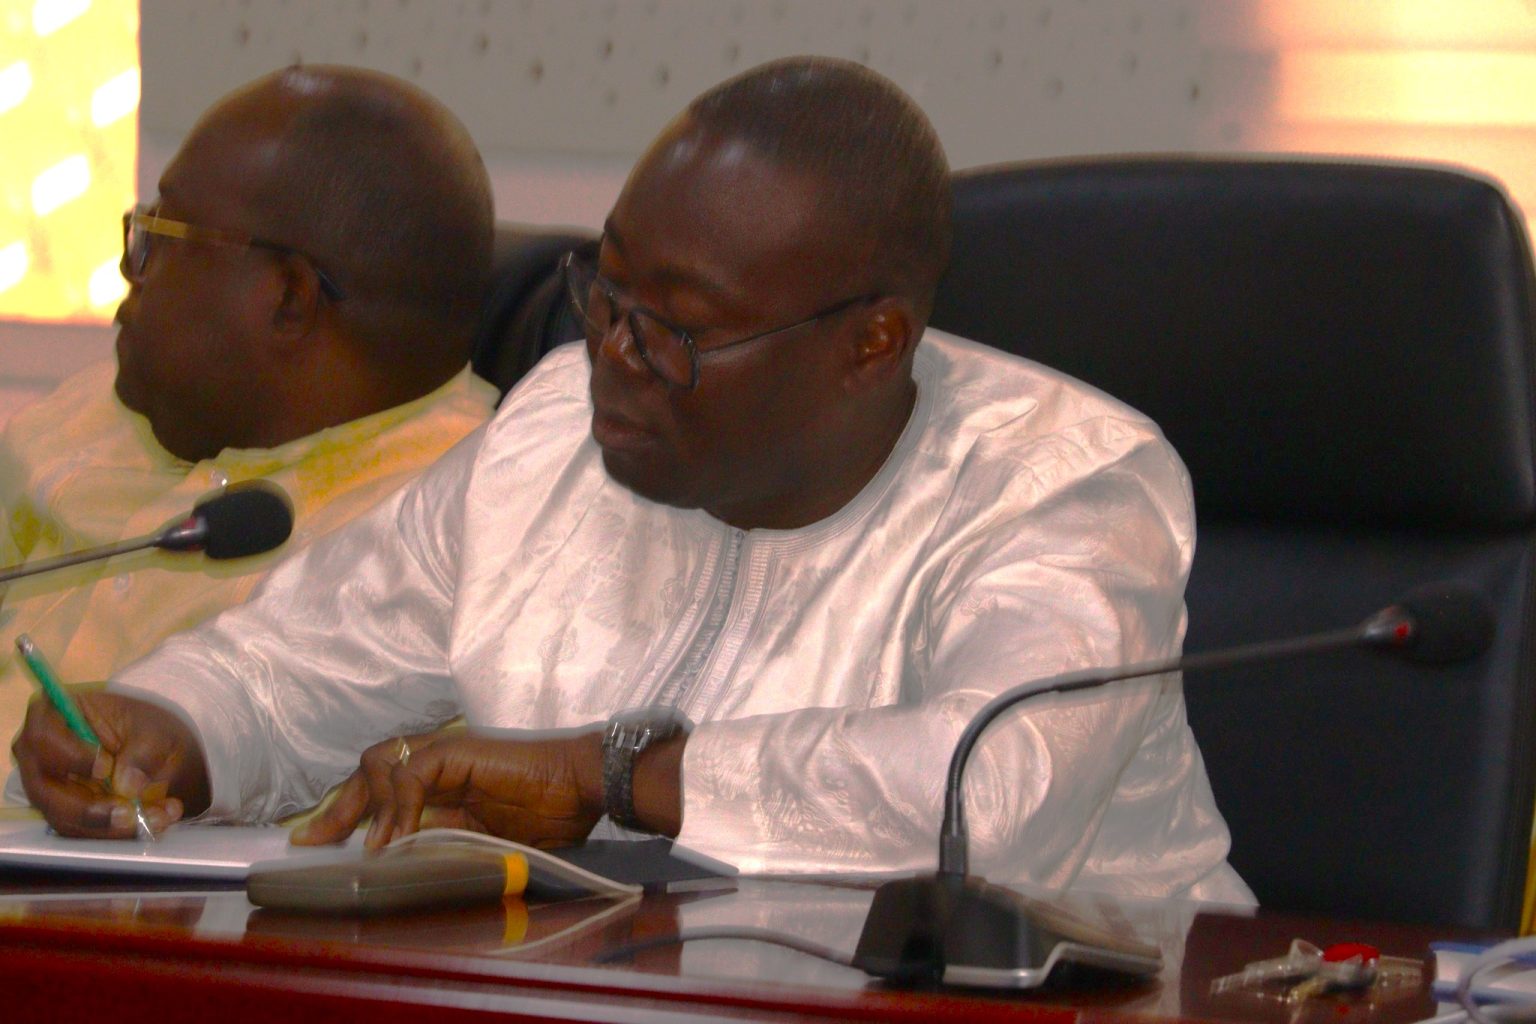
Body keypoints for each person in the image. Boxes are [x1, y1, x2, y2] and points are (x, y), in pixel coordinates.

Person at [13, 57, 1251, 903]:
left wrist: (611, 774)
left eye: (677, 327)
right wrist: (173, 726)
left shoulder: (1063, 485)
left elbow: (990, 795)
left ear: (871, 344)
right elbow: (295, 665)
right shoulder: (555, 432)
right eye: (604, 292)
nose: (614, 353)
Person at [0, 65, 498, 771]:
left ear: (288, 297)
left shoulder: (444, 544)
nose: (130, 270)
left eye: (161, 236)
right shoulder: (122, 402)